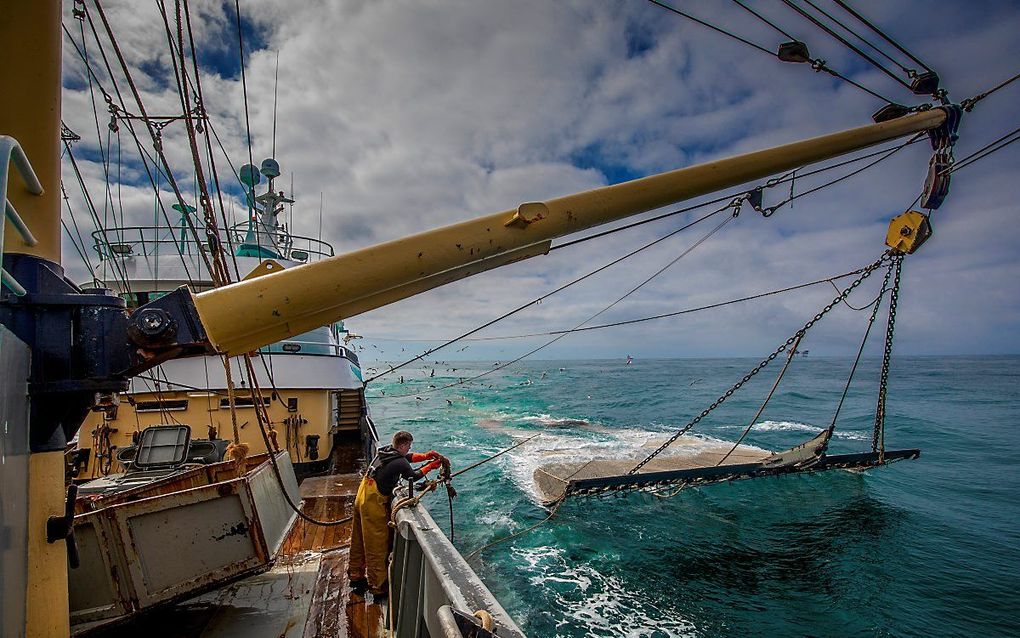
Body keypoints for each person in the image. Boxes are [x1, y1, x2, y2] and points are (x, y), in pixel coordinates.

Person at [348, 430, 445, 601]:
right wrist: (431, 466)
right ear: (401, 445)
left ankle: (356, 575)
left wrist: (425, 456)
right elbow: (413, 475)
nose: (410, 448)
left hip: (362, 495)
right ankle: (377, 587)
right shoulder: (398, 461)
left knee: (358, 539)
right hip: (372, 503)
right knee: (376, 545)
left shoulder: (386, 451)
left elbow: (407, 458)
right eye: (408, 446)